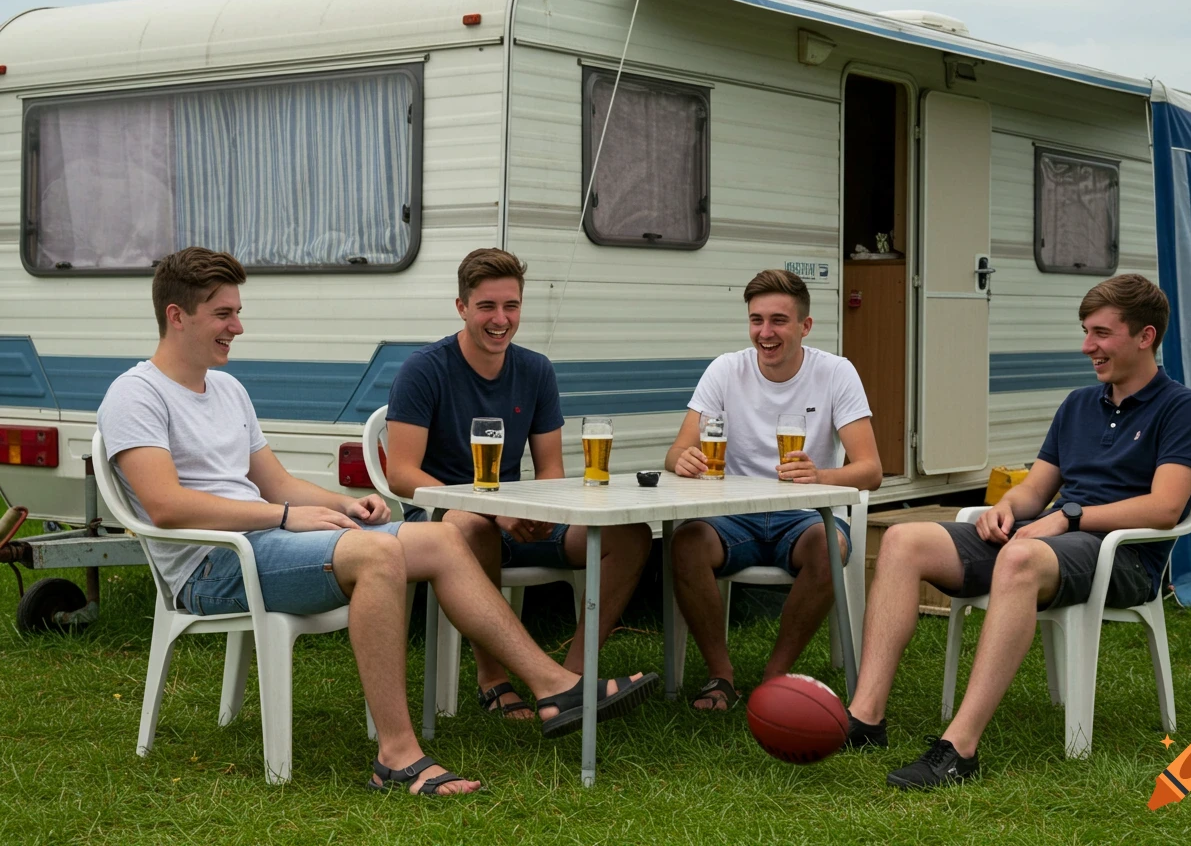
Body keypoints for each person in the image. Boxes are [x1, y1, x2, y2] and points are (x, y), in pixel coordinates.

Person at [98, 247, 657, 796]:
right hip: (212, 565)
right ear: (177, 316)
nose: (238, 327)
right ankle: (396, 756)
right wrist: (287, 517)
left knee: (439, 537)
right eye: (224, 314)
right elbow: (167, 505)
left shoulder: (226, 389)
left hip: (262, 542)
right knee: (379, 553)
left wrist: (343, 504)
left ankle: (555, 687)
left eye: (237, 312)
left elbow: (277, 481)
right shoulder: (136, 394)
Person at [846, 273, 1191, 790]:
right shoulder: (1078, 405)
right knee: (905, 541)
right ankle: (865, 718)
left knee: (1020, 559)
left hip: (1122, 557)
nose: (1088, 346)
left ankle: (959, 749)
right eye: (1086, 332)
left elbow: (1164, 508)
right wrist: (1003, 508)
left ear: (1145, 336)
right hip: (1049, 542)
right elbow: (1034, 491)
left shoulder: (1183, 408)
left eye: (1101, 334)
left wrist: (1070, 516)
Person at [385, 248, 652, 719]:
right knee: (472, 526)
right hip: (448, 519)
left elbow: (550, 469)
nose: (500, 319)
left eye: (511, 306)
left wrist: (535, 510)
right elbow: (401, 474)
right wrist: (495, 511)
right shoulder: (423, 369)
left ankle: (572, 679)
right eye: (487, 306)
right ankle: (494, 679)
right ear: (462, 307)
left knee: (630, 535)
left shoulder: (535, 369)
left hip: (518, 514)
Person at [663, 269, 883, 710]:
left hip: (804, 516)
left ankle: (775, 677)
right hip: (732, 515)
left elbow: (870, 469)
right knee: (685, 544)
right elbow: (676, 452)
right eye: (756, 320)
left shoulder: (836, 372)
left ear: (805, 326)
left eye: (779, 321)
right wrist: (681, 460)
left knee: (828, 548)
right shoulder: (727, 369)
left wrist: (820, 475)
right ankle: (720, 676)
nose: (765, 333)